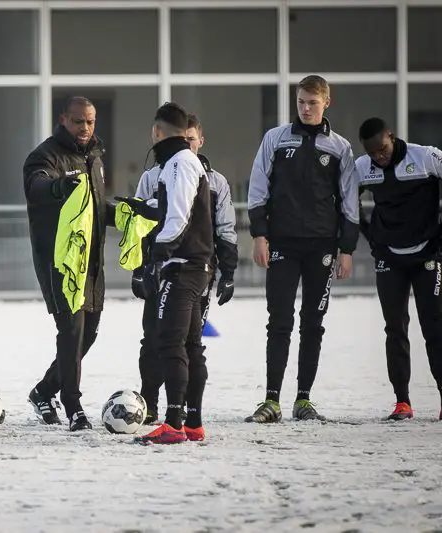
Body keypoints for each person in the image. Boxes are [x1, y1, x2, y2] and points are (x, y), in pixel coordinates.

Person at [246, 75, 359, 423]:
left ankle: (304, 400)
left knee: (313, 323)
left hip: (322, 247)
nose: (306, 109)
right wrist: (260, 235)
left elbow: (349, 201)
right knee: (279, 321)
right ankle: (272, 400)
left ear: (326, 102)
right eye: (301, 102)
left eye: (312, 102)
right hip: (282, 243)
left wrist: (346, 249)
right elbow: (257, 188)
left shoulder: (340, 147)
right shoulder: (275, 139)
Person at [122, 113, 237, 440]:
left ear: (157, 131)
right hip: (194, 266)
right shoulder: (181, 164)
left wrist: (159, 256)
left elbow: (179, 216)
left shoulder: (180, 163)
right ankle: (193, 423)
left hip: (183, 267)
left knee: (171, 344)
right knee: (190, 345)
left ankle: (174, 424)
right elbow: (174, 208)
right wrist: (142, 210)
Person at [24, 96, 116, 431]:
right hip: (61, 263)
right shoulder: (45, 155)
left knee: (88, 334)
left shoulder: (94, 157)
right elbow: (37, 187)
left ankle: (44, 391)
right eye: (78, 121)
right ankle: (73, 406)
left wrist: (128, 213)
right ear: (64, 119)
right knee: (71, 331)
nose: (85, 128)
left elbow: (96, 208)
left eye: (90, 121)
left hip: (92, 262)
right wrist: (59, 186)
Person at [356, 117, 442, 421]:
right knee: (395, 328)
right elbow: (346, 200)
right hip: (389, 258)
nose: (379, 157)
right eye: (372, 153)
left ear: (391, 137)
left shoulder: (426, 157)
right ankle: (402, 402)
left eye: (383, 149)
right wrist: (370, 235)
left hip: (426, 255)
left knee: (435, 327)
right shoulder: (362, 167)